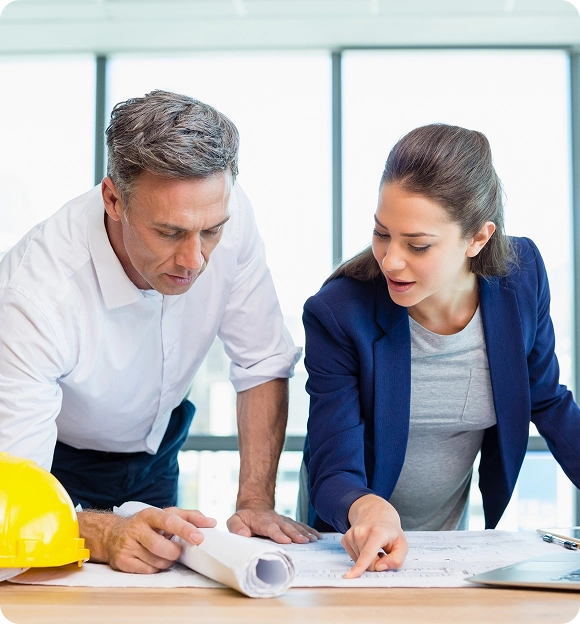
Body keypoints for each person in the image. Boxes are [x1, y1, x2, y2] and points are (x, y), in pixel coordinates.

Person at [0, 89, 319, 574]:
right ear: (113, 199)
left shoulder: (227, 214)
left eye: (210, 231)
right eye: (169, 233)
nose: (195, 260)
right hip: (52, 463)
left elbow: (261, 363)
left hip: (157, 446)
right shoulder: (34, 293)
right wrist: (103, 530)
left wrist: (255, 500)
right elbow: (14, 501)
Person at [301, 123, 580, 579]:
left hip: (452, 549)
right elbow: (333, 464)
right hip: (348, 548)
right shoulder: (338, 313)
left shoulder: (521, 275)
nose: (390, 260)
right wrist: (367, 508)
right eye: (381, 233)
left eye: (418, 245)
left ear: (478, 239)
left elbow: (546, 399)